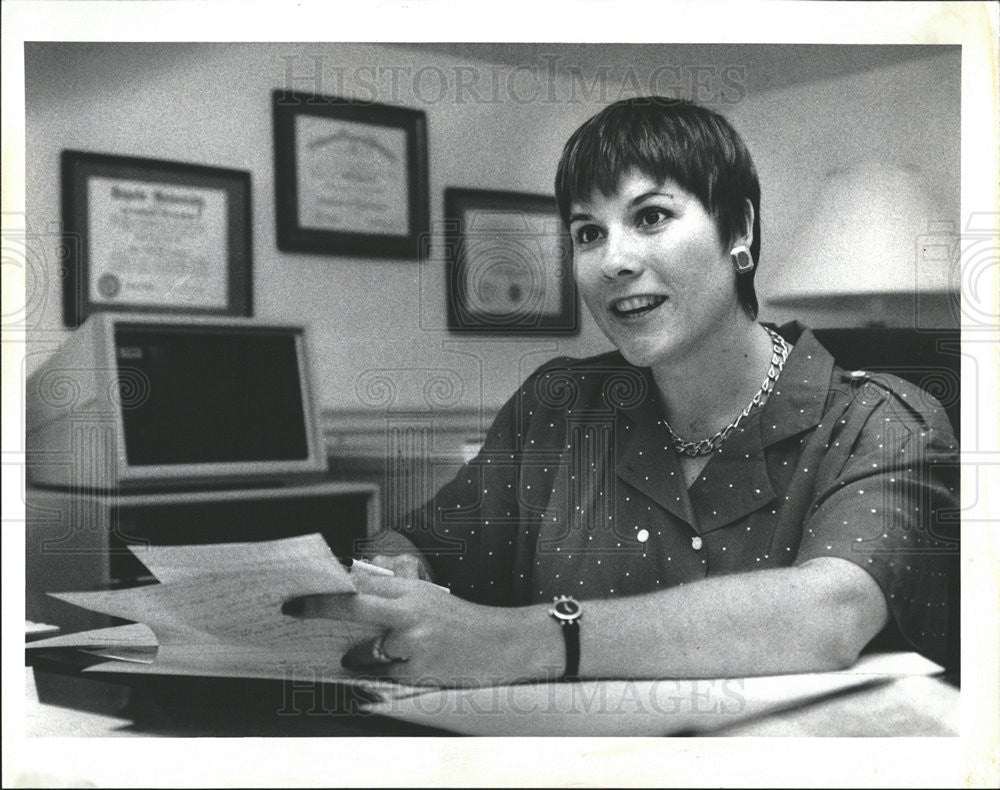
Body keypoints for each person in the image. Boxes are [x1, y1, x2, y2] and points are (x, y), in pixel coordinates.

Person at [283, 97, 959, 687]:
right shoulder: (559, 408)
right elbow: (417, 541)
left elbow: (828, 614)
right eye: (588, 232)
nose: (613, 260)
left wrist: (517, 642)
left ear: (741, 231)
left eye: (653, 216)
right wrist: (398, 576)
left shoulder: (882, 422)